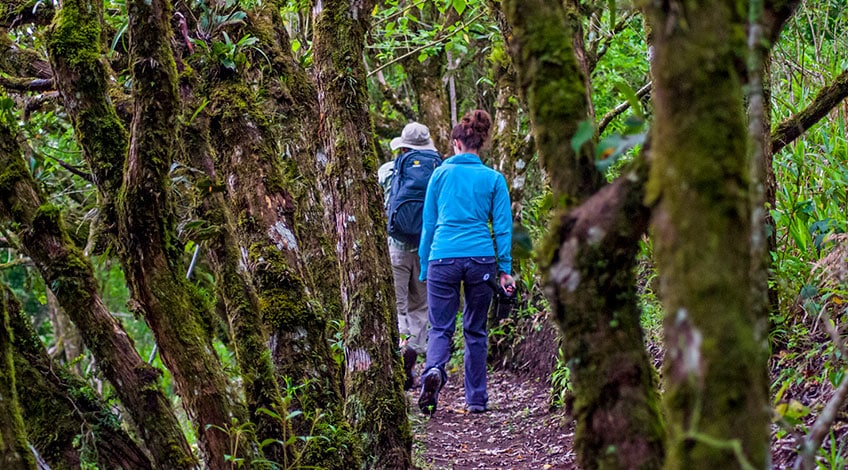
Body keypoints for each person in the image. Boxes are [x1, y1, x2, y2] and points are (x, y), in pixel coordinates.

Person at [417, 109, 514, 415]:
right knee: (475, 330)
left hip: (442, 256)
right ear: (480, 144)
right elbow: (502, 228)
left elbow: (429, 225)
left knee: (440, 328)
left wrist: (423, 264)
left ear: (457, 143)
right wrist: (504, 269)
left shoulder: (440, 174)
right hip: (480, 258)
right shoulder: (493, 179)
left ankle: (433, 370)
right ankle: (476, 400)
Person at [378, 122, 443, 390]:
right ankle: (413, 351)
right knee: (421, 307)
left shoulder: (387, 170)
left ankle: (400, 352)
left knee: (397, 305)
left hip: (395, 246)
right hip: (427, 248)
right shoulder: (439, 170)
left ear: (402, 146)